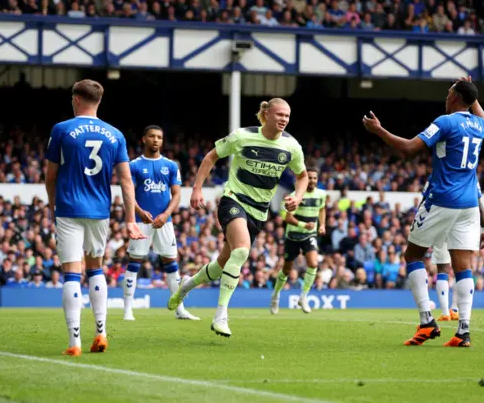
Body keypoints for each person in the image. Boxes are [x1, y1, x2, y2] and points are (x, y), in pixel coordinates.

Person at [363, 76, 484, 347]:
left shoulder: (445, 122)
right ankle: (463, 330)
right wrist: (470, 91)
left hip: (442, 199)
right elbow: (480, 111)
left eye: (449, 93)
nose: (445, 97)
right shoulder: (480, 125)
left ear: (455, 97)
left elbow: (408, 148)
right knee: (463, 266)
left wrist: (380, 131)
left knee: (413, 255)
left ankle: (427, 322)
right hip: (469, 205)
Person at [167, 98, 309, 337]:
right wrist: (197, 189)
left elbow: (303, 175)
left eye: (287, 116)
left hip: (259, 211)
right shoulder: (242, 136)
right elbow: (211, 156)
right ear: (267, 114)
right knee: (241, 250)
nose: (284, 119)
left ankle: (186, 285)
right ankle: (221, 315)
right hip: (233, 200)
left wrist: (298, 195)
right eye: (279, 114)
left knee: (223, 263)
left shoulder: (291, 146)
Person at [45, 80, 145, 356]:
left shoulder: (62, 129)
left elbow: (50, 176)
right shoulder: (115, 134)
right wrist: (130, 220)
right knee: (95, 269)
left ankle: (74, 342)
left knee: (71, 274)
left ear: (76, 99)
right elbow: (126, 181)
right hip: (99, 211)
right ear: (98, 101)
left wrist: (53, 204)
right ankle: (100, 334)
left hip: (68, 209)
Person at [124, 125, 199, 321]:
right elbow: (128, 193)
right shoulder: (134, 165)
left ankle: (180, 309)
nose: (156, 140)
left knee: (171, 264)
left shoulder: (171, 165)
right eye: (152, 136)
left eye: (159, 137)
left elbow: (176, 194)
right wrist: (140, 212)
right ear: (144, 139)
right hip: (142, 222)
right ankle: (127, 310)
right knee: (134, 263)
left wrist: (166, 214)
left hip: (164, 222)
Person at [270, 162, 326, 314]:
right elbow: (287, 218)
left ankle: (304, 296)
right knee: (287, 270)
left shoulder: (321, 194)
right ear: (305, 179)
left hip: (310, 234)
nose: (313, 180)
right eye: (310, 178)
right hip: (293, 236)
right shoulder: (295, 196)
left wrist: (322, 225)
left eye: (315, 178)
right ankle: (275, 295)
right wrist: (303, 224)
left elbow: (321, 209)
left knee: (313, 264)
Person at [431, 181, 484, 322]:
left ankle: (445, 313)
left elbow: (427, 201)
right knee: (462, 267)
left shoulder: (440, 172)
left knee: (442, 269)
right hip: (464, 223)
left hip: (441, 221)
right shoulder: (471, 177)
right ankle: (455, 310)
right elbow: (479, 205)